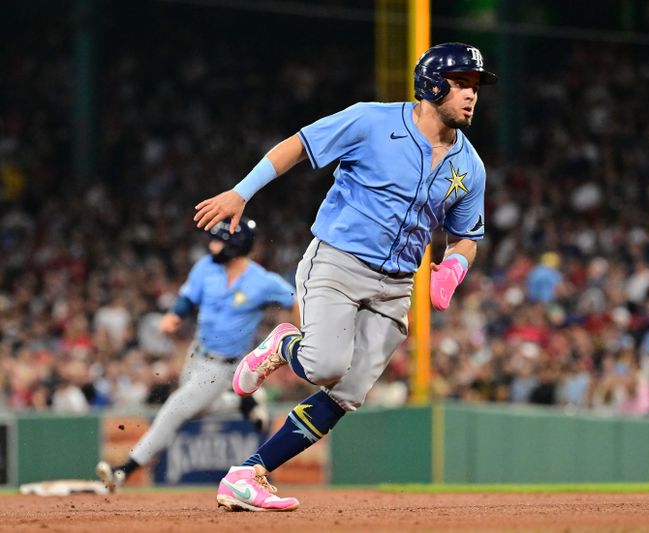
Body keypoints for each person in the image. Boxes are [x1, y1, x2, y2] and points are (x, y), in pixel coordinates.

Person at [193, 42, 496, 512]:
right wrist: (241, 192)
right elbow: (298, 146)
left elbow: (467, 236)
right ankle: (282, 346)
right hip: (338, 262)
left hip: (396, 286)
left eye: (474, 86)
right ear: (433, 84)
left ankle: (246, 474)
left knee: (347, 394)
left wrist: (454, 268)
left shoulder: (469, 166)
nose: (471, 95)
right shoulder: (371, 121)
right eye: (461, 84)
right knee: (324, 365)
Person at [96, 217, 298, 492]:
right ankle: (239, 404)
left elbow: (294, 298)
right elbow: (188, 298)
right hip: (196, 354)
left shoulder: (261, 281)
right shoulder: (206, 267)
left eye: (220, 241)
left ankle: (124, 470)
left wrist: (302, 332)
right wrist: (174, 316)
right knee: (192, 410)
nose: (213, 246)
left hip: (223, 365)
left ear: (236, 246)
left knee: (175, 410)